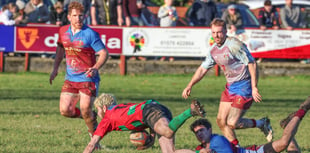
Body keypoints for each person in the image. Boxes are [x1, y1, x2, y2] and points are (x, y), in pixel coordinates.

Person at [182, 18, 272, 147]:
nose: (216, 35)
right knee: (220, 121)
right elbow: (202, 69)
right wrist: (190, 85)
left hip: (244, 86)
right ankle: (235, 149)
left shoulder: (234, 45)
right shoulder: (213, 50)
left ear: (225, 31)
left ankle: (261, 123)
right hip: (230, 87)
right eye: (213, 32)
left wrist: (254, 87)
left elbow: (252, 63)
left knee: (232, 123)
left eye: (219, 32)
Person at [49, 1, 109, 149]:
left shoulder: (90, 34)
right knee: (65, 110)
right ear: (69, 17)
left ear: (85, 16)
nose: (78, 19)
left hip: (88, 77)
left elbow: (104, 53)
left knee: (85, 108)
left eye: (81, 16)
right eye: (75, 16)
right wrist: (55, 69)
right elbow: (60, 50)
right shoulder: (63, 31)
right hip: (70, 78)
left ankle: (94, 142)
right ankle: (91, 116)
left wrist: (95, 68)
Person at [83, 93, 206, 153]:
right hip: (155, 108)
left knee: (168, 132)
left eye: (98, 110)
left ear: (104, 108)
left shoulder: (106, 119)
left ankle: (191, 111)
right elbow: (146, 113)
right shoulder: (122, 107)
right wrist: (152, 137)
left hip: (150, 112)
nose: (98, 114)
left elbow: (91, 145)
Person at [191, 96, 310, 153]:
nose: (199, 134)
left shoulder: (217, 140)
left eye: (201, 130)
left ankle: (303, 109)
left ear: (210, 130)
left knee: (284, 143)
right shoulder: (201, 148)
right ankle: (289, 124)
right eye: (197, 132)